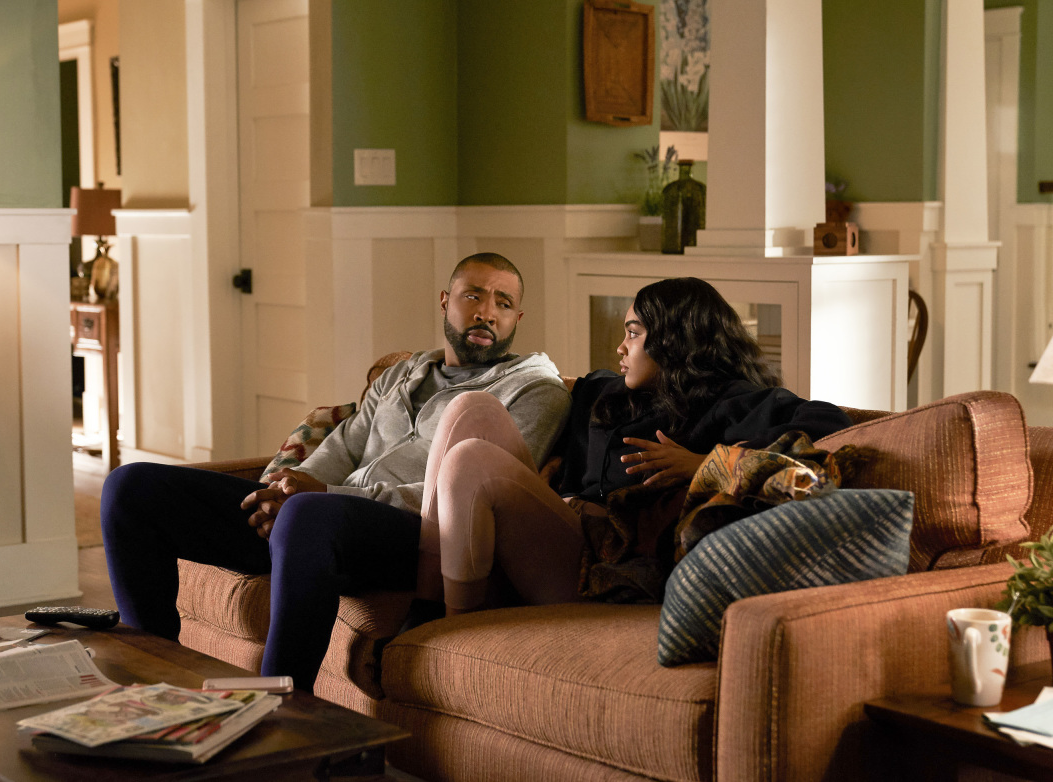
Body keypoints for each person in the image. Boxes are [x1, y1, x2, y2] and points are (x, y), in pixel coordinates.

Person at [100, 252, 571, 691]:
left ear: (517, 319)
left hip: (421, 537)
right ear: (446, 302)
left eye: (503, 303)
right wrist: (288, 489)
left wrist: (322, 495)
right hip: (320, 523)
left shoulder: (534, 390)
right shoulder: (401, 375)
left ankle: (279, 707)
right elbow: (343, 447)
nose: (487, 313)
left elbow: (478, 493)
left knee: (307, 515)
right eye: (474, 296)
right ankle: (152, 682)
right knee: (132, 487)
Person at [418, 276, 853, 615]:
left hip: (599, 565)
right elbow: (565, 440)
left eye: (633, 333)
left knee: (470, 459)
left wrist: (705, 463)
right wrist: (557, 460)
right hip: (552, 529)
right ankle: (426, 597)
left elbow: (831, 423)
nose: (621, 347)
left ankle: (448, 623)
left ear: (674, 340)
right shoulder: (604, 392)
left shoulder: (731, 401)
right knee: (472, 407)